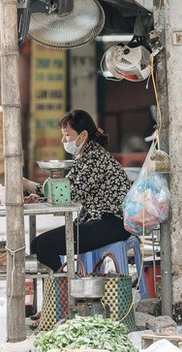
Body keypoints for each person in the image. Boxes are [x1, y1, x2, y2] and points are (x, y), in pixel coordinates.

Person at [23, 110, 133, 272]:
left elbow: (70, 194)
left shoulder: (95, 158)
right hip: (99, 221)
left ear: (83, 135)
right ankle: (61, 292)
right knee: (37, 244)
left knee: (44, 245)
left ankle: (66, 292)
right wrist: (38, 195)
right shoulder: (84, 157)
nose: (63, 140)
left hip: (112, 224)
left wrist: (27, 184)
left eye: (67, 135)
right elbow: (65, 187)